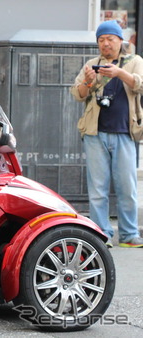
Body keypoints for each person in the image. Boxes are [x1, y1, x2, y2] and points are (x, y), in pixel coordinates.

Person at [70, 20, 143, 248]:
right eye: (101, 40)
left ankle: (130, 234)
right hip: (95, 133)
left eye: (110, 39)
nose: (106, 44)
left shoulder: (134, 62)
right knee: (98, 188)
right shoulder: (92, 64)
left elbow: (140, 85)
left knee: (127, 187)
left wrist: (120, 73)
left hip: (124, 132)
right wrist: (88, 82)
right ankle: (102, 233)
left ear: (120, 40)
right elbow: (77, 94)